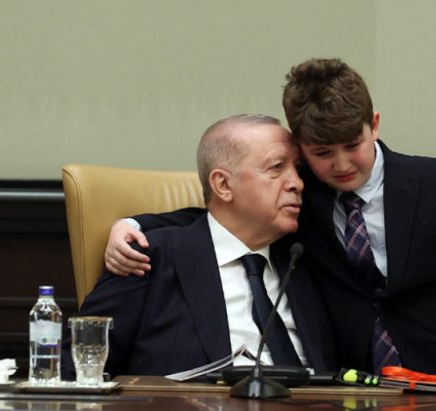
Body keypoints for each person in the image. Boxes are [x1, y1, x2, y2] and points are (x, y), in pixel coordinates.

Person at [105, 58, 436, 374]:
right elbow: (220, 217)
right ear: (302, 145)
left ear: (374, 125)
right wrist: (132, 224)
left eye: (352, 146)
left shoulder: (428, 182)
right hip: (352, 382)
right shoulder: (302, 192)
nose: (342, 165)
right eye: (322, 153)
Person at [61, 114, 336, 378]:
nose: (297, 183)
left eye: (297, 169)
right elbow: (76, 366)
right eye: (276, 168)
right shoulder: (148, 259)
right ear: (223, 184)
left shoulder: (306, 257)